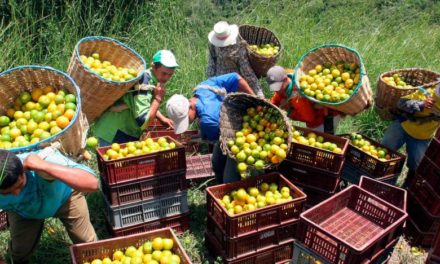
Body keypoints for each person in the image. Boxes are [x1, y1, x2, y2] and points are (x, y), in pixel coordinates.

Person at [0, 148, 99, 264]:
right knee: (19, 252)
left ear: (22, 171)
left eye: (20, 185)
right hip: (24, 211)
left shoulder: (44, 160)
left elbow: (93, 183)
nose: (16, 193)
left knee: (90, 248)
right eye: (7, 192)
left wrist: (44, 166)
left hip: (65, 198)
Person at [166, 72, 255, 183]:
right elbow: (236, 77)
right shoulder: (203, 87)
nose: (187, 122)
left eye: (186, 118)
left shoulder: (208, 121)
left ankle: (231, 188)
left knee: (230, 179)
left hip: (240, 136)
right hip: (229, 125)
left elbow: (214, 137)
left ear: (190, 106)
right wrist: (254, 97)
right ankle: (220, 185)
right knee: (217, 164)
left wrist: (255, 100)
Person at [94, 50, 178, 146]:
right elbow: (144, 121)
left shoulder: (152, 80)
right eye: (164, 73)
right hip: (114, 130)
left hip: (121, 128)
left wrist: (162, 118)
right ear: (154, 67)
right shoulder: (144, 82)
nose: (166, 78)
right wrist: (158, 99)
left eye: (170, 75)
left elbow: (144, 104)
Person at [381, 85, 440, 188]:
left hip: (422, 137)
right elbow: (401, 103)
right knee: (385, 148)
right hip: (403, 126)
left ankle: (407, 185)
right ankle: (382, 177)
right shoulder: (427, 93)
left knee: (415, 165)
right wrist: (421, 104)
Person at [266, 66, 341, 133]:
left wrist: (289, 112)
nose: (276, 90)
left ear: (285, 79)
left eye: (277, 87)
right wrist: (269, 106)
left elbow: (309, 118)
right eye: (274, 87)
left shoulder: (297, 95)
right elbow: (277, 98)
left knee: (323, 142)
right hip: (314, 116)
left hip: (324, 118)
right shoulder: (285, 85)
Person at [207, 21, 264, 98]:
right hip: (220, 83)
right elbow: (212, 63)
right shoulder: (214, 45)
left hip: (234, 84)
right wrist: (211, 84)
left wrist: (258, 93)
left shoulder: (238, 48)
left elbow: (247, 72)